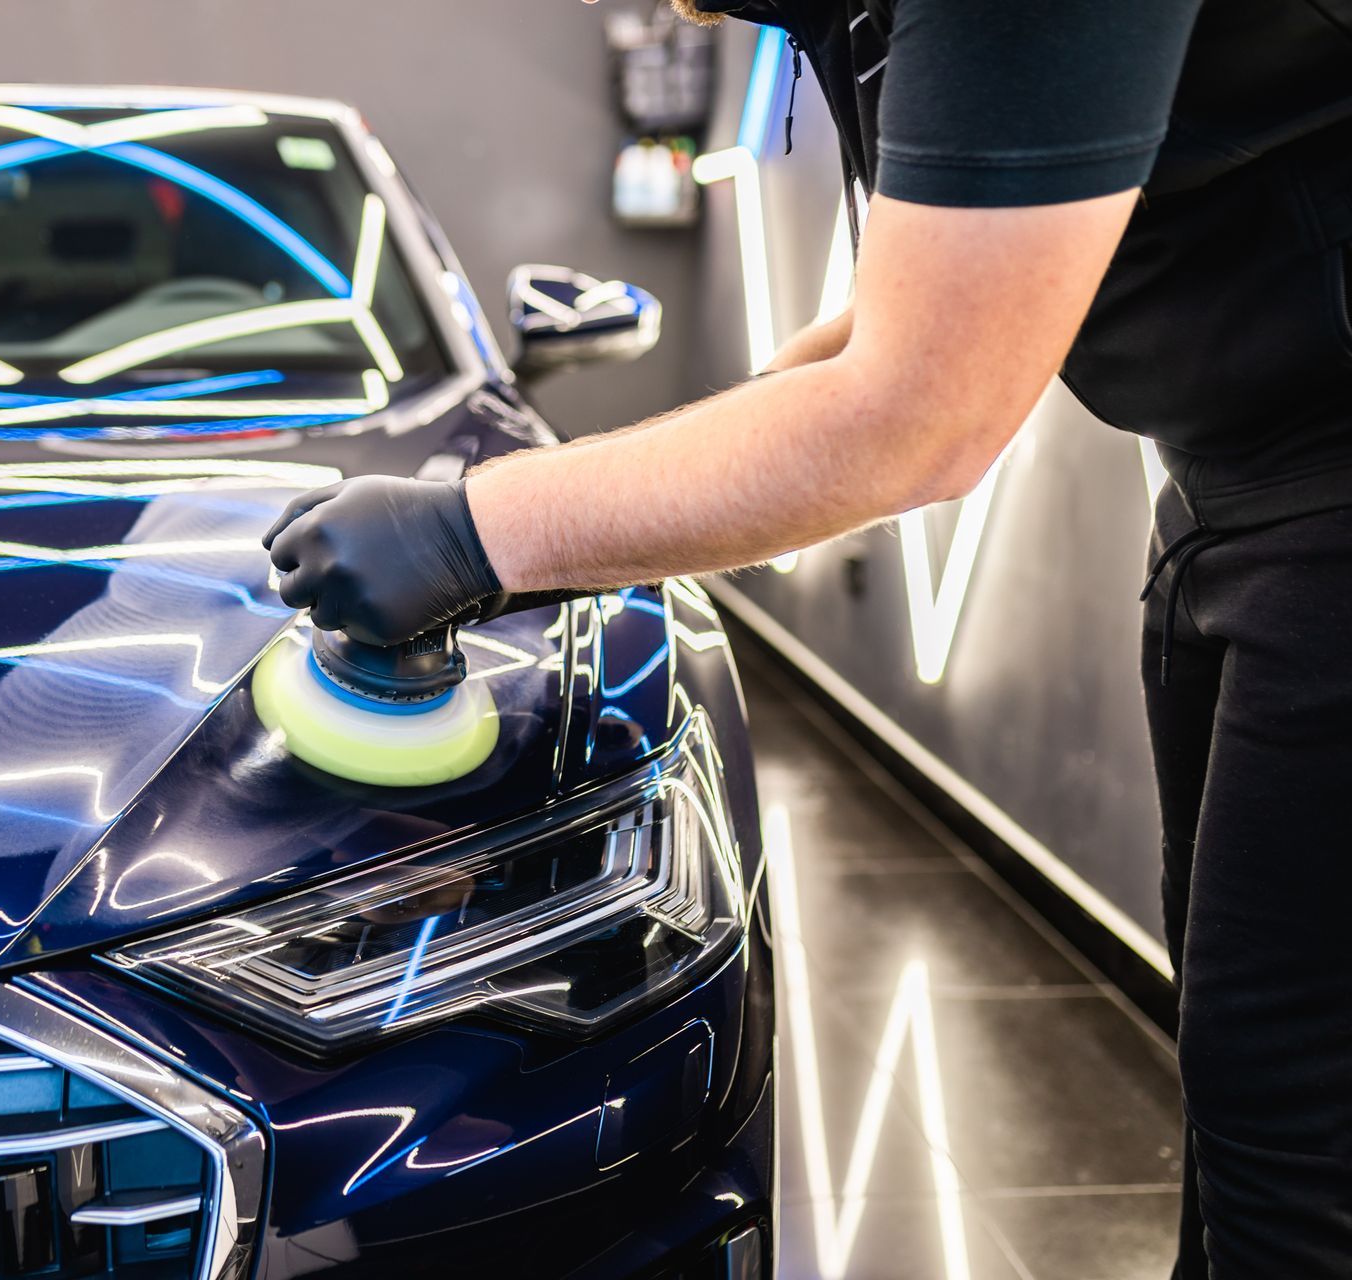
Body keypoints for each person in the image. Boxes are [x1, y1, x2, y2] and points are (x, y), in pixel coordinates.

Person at [262, 1, 1352, 1275]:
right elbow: (915, 313)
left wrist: (477, 532)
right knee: (1241, 1116)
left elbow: (918, 414)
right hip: (1239, 485)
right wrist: (614, 496)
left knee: (1301, 1151)